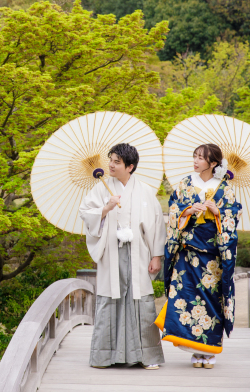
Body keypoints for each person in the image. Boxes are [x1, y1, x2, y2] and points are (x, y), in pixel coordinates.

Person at [79, 143, 166, 370]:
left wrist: (156, 256)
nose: (111, 165)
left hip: (138, 252)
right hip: (112, 251)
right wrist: (105, 209)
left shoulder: (145, 191)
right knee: (110, 299)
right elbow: (86, 213)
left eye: (117, 162)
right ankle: (104, 356)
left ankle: (147, 356)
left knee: (140, 301)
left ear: (130, 166)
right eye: (111, 160)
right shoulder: (100, 188)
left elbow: (157, 226)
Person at [160, 143, 242, 369]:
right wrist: (187, 210)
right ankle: (195, 351)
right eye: (194, 156)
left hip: (213, 257)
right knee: (186, 299)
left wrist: (219, 213)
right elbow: (173, 209)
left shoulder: (225, 189)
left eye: (200, 158)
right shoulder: (185, 184)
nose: (195, 161)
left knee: (212, 301)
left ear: (213, 163)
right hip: (187, 254)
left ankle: (210, 350)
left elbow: (233, 217)